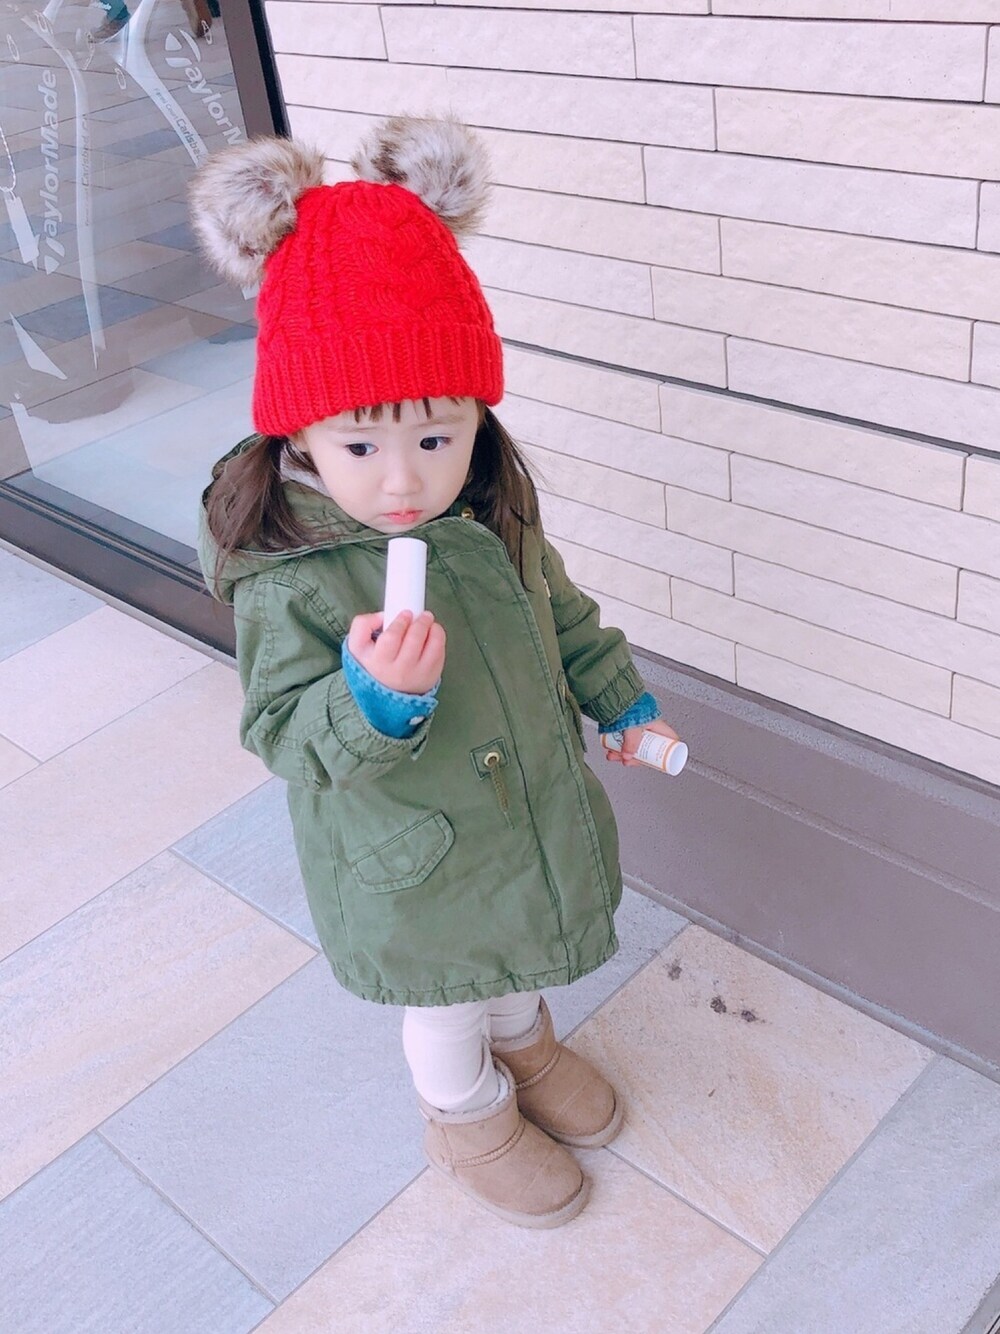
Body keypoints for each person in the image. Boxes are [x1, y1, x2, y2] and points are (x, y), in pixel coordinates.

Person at [190, 118, 680, 1229]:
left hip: (515, 807)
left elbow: (562, 614)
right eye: (361, 446)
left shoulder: (490, 508)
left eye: (437, 435)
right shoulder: (290, 573)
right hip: (411, 846)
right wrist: (370, 700)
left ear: (473, 418)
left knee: (512, 947)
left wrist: (621, 700)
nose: (404, 480)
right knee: (446, 995)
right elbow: (279, 728)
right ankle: (465, 1114)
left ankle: (527, 1046)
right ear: (298, 437)